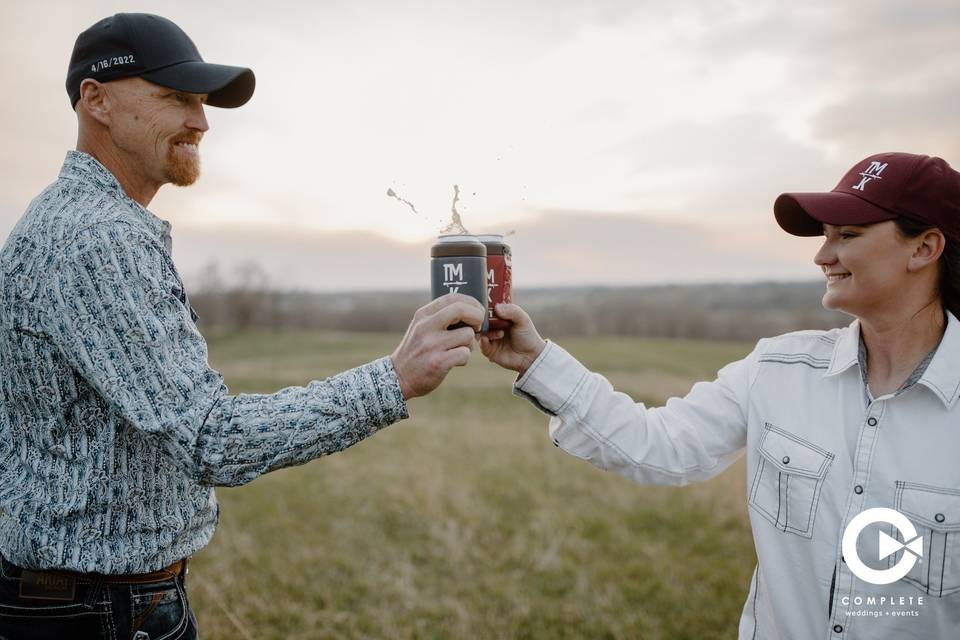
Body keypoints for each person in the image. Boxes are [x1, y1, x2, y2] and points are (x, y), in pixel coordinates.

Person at [0, 13, 484, 640]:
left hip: (82, 601)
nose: (201, 121)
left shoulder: (69, 221)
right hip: (95, 614)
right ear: (97, 101)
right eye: (176, 97)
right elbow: (214, 439)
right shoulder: (97, 239)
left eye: (201, 102)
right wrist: (394, 379)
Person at [482, 152, 960, 639]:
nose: (822, 255)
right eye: (825, 236)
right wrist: (534, 360)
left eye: (848, 235)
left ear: (924, 248)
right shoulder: (776, 370)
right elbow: (660, 446)